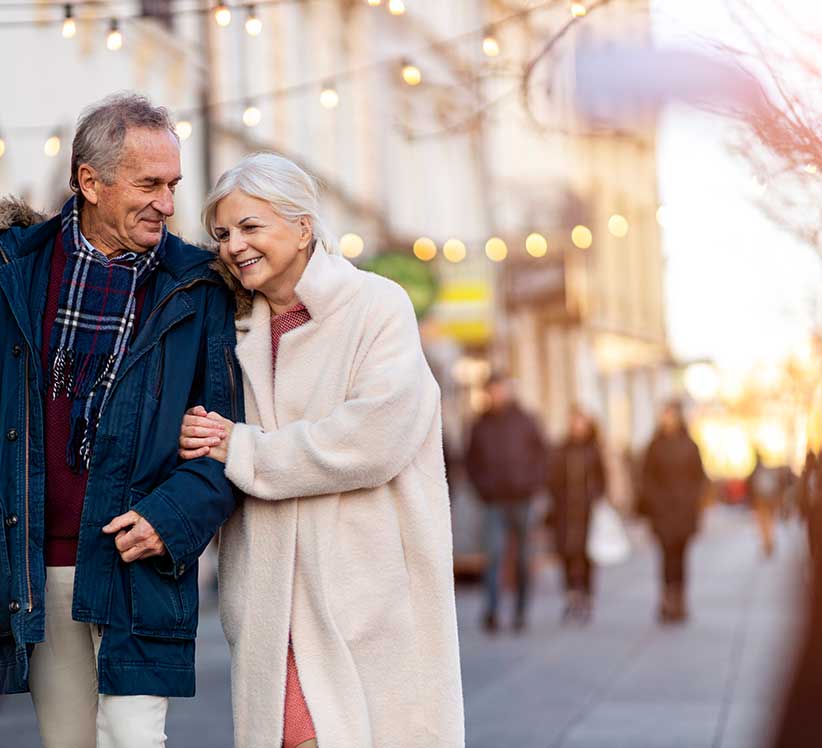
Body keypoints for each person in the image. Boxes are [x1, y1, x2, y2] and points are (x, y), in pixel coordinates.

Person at [0, 93, 242, 748]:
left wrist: (173, 518)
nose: (167, 203)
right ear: (90, 182)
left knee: (134, 739)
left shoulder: (197, 286)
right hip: (37, 568)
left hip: (141, 565)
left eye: (173, 185)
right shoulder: (12, 271)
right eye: (149, 184)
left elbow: (224, 436)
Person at [176, 153, 464, 748]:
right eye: (224, 233)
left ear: (303, 226)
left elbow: (374, 438)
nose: (233, 246)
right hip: (268, 601)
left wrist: (243, 448)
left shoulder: (377, 306)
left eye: (251, 227)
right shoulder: (230, 328)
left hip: (366, 593)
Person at [465, 372, 549, 633]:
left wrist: (533, 485)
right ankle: (492, 611)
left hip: (522, 498)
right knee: (494, 555)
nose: (497, 394)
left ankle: (521, 611)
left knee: (524, 557)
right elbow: (470, 462)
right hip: (493, 501)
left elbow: (543, 455)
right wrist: (483, 488)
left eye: (500, 389)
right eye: (493, 390)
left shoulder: (526, 420)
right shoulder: (479, 424)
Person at [640, 400, 708, 624]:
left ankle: (680, 599)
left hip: (684, 512)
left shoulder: (690, 446)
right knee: (666, 556)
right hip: (662, 512)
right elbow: (646, 478)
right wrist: (654, 502)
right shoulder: (654, 446)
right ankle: (666, 599)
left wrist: (693, 502)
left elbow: (700, 479)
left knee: (681, 557)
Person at [547, 407, 606, 623]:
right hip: (565, 513)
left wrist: (596, 497)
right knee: (566, 553)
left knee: (587, 555)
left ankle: (587, 596)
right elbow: (552, 478)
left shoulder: (593, 451)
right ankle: (571, 595)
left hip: (587, 513)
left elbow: (602, 480)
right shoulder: (561, 450)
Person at [746, 452, 783, 557]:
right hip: (765, 502)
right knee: (767, 524)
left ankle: (768, 544)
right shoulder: (765, 472)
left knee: (765, 525)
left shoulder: (756, 473)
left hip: (762, 502)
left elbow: (751, 490)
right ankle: (768, 544)